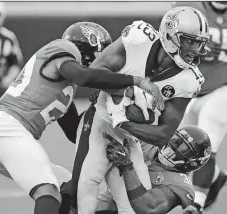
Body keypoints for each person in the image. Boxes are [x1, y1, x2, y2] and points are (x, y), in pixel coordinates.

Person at [0, 21, 163, 214]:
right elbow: (85, 77)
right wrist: (136, 81)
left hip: (3, 136)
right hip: (8, 128)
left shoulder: (65, 88)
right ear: (93, 46)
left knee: (67, 186)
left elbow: (75, 131)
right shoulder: (63, 48)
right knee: (47, 191)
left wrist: (105, 111)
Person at [59, 6, 210, 214]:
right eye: (189, 41)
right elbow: (93, 74)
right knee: (81, 188)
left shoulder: (189, 80)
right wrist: (130, 89)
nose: (194, 49)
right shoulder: (140, 39)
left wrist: (123, 122)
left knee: (133, 205)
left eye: (198, 43)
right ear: (169, 34)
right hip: (99, 120)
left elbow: (163, 134)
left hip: (131, 136)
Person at [171, 2, 227, 213]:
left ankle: (197, 202)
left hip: (226, 86)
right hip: (189, 89)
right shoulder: (188, 8)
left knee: (206, 138)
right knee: (176, 148)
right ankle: (215, 176)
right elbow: (168, 43)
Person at [97, 125, 212, 214]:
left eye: (183, 148)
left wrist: (126, 165)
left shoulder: (181, 184)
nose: (173, 147)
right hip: (102, 205)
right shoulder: (148, 146)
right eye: (176, 140)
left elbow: (149, 208)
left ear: (192, 162)